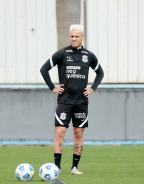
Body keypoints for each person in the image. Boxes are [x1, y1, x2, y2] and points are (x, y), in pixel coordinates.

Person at [40, 24, 104, 175]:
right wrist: (52, 87)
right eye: (72, 36)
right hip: (64, 101)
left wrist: (92, 88)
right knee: (60, 133)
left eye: (77, 36)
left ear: (83, 37)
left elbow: (100, 72)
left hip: (81, 102)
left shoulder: (89, 55)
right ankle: (57, 168)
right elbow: (44, 69)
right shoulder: (62, 53)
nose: (74, 39)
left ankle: (74, 167)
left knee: (78, 134)